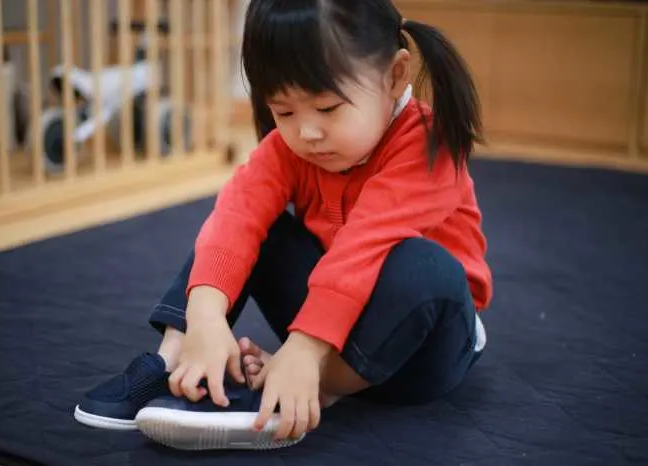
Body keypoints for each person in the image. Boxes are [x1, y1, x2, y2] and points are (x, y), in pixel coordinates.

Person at [73, 0, 492, 451]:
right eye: (284, 112)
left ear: (394, 76)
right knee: (246, 226)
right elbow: (235, 219)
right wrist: (206, 319)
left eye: (327, 108)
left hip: (421, 351)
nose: (307, 132)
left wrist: (305, 352)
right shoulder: (290, 149)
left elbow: (361, 249)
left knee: (424, 266)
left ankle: (305, 383)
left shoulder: (431, 145)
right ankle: (174, 362)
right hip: (331, 322)